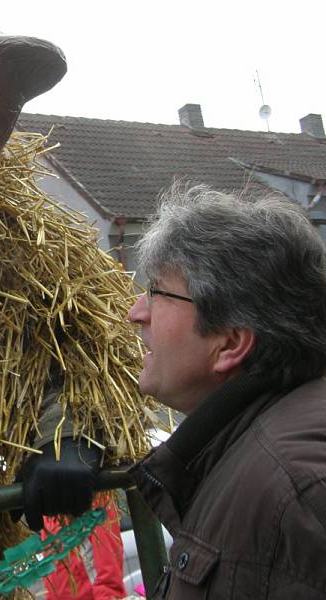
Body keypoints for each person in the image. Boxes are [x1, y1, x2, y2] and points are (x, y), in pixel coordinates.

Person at [124, 184, 326, 598]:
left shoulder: (298, 494)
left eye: (157, 292)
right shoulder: (251, 451)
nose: (135, 313)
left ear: (230, 344)